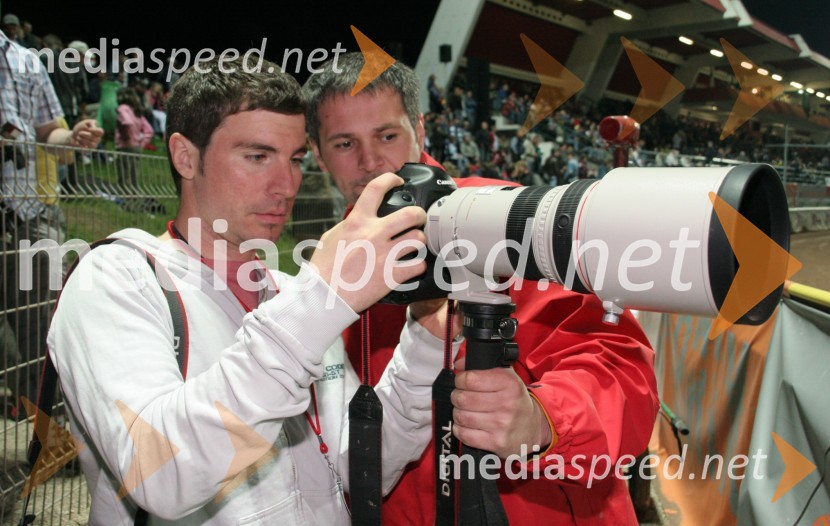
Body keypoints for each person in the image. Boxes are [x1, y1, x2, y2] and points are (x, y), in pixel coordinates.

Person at [46, 55, 458, 525]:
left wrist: (427, 335)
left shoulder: (289, 296)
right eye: (258, 156)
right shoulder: (117, 278)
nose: (286, 185)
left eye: (296, 159)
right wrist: (322, 298)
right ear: (186, 156)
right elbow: (159, 472)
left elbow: (363, 468)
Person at [304, 52, 659, 525]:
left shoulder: (496, 218)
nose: (371, 163)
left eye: (387, 136)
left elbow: (624, 369)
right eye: (345, 143)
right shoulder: (329, 267)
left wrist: (543, 420)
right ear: (317, 151)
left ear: (420, 130)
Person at [1, 22, 103, 415]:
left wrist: (72, 137)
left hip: (27, 211)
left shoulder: (27, 61)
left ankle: (57, 429)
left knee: (41, 324)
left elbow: (49, 134)